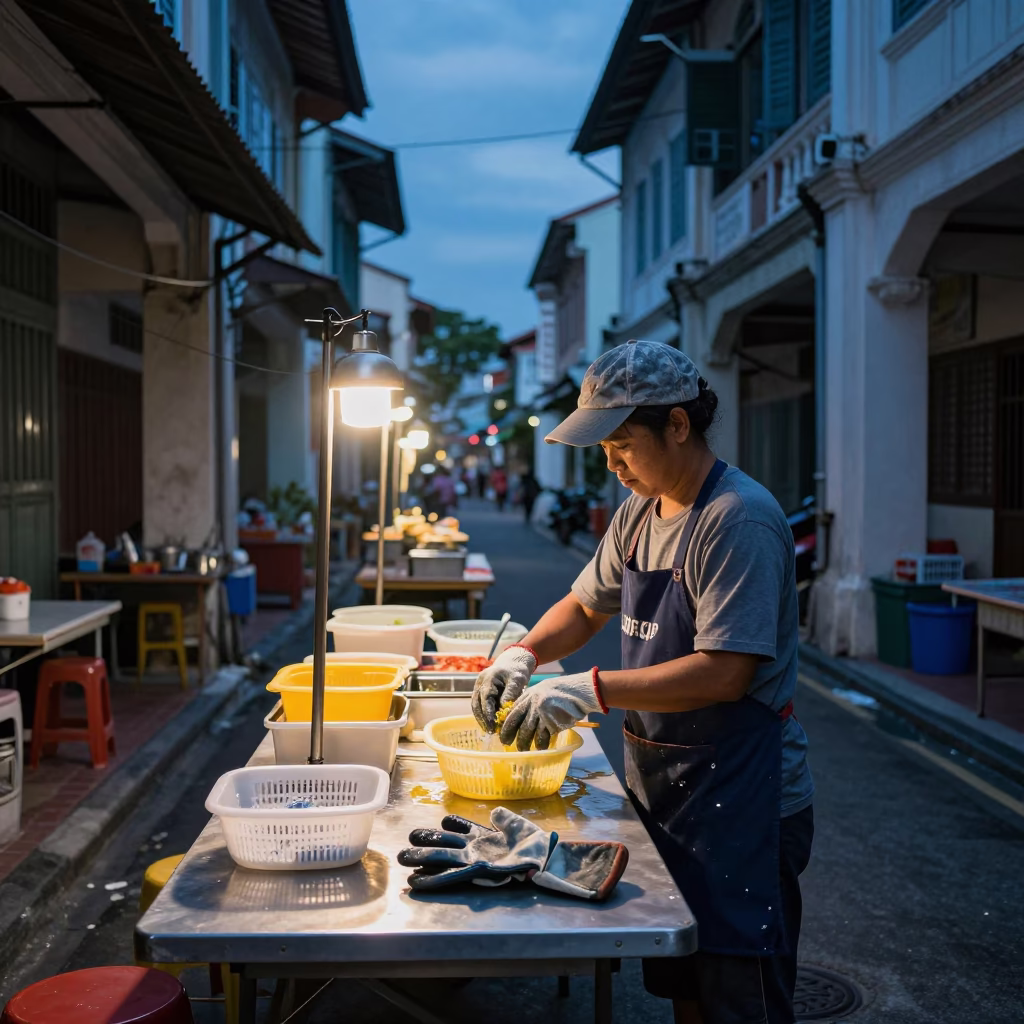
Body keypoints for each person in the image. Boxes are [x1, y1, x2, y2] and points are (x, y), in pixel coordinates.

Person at [472, 339, 813, 1024]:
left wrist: (590, 689)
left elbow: (726, 672)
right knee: (685, 979)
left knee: (739, 993)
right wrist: (524, 655)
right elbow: (582, 604)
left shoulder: (735, 520)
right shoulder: (637, 511)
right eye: (604, 450)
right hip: (668, 787)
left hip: (745, 795)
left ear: (678, 425)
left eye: (623, 443)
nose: (612, 464)